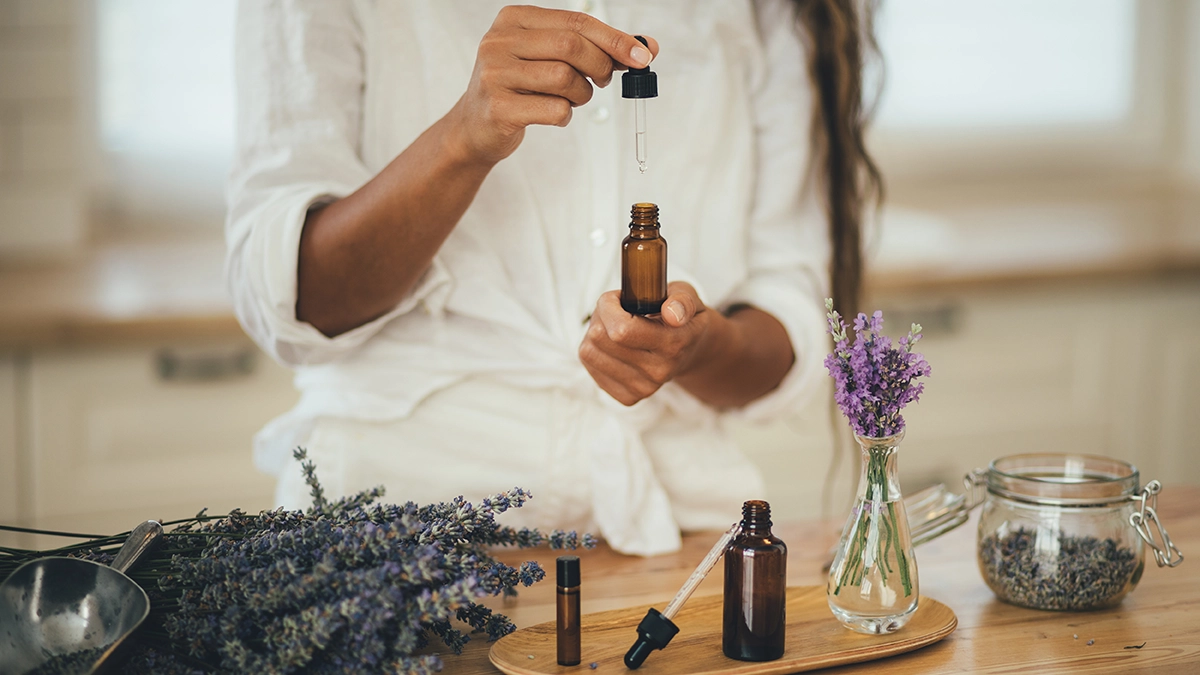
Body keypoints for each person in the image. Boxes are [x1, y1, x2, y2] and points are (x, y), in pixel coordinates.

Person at [226, 0, 880, 555]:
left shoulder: (771, 13)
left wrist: (696, 345)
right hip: (396, 529)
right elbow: (293, 298)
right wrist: (463, 137)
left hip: (669, 528)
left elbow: (787, 316)